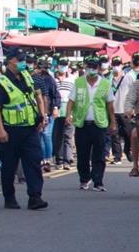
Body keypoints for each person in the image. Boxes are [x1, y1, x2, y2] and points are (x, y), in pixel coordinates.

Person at [0, 49, 48, 210]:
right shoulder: (1, 83)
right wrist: (0, 130)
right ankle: (9, 197)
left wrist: (41, 116)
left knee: (33, 162)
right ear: (11, 61)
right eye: (20, 59)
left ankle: (35, 197)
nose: (24, 62)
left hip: (30, 129)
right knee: (9, 166)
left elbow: (37, 96)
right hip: (10, 130)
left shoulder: (27, 77)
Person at [64, 56, 117, 192]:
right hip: (82, 123)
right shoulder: (79, 82)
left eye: (94, 67)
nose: (91, 70)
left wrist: (113, 122)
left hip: (99, 124)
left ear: (99, 68)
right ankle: (84, 179)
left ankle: (98, 181)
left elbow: (110, 105)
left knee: (99, 154)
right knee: (82, 154)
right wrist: (68, 115)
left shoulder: (105, 84)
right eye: (89, 67)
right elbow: (71, 100)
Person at [53, 59, 76, 170]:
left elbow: (74, 96)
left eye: (65, 65)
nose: (62, 67)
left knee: (68, 135)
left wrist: (72, 112)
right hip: (56, 109)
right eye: (61, 65)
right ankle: (59, 159)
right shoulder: (53, 78)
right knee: (57, 136)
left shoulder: (72, 79)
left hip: (69, 108)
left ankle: (67, 160)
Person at [111, 57, 134, 165]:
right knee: (114, 134)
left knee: (128, 133)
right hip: (112, 110)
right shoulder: (108, 79)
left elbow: (134, 93)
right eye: (114, 64)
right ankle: (117, 156)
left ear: (121, 65)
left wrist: (133, 108)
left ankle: (127, 149)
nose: (116, 66)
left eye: (118, 64)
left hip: (125, 110)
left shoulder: (128, 78)